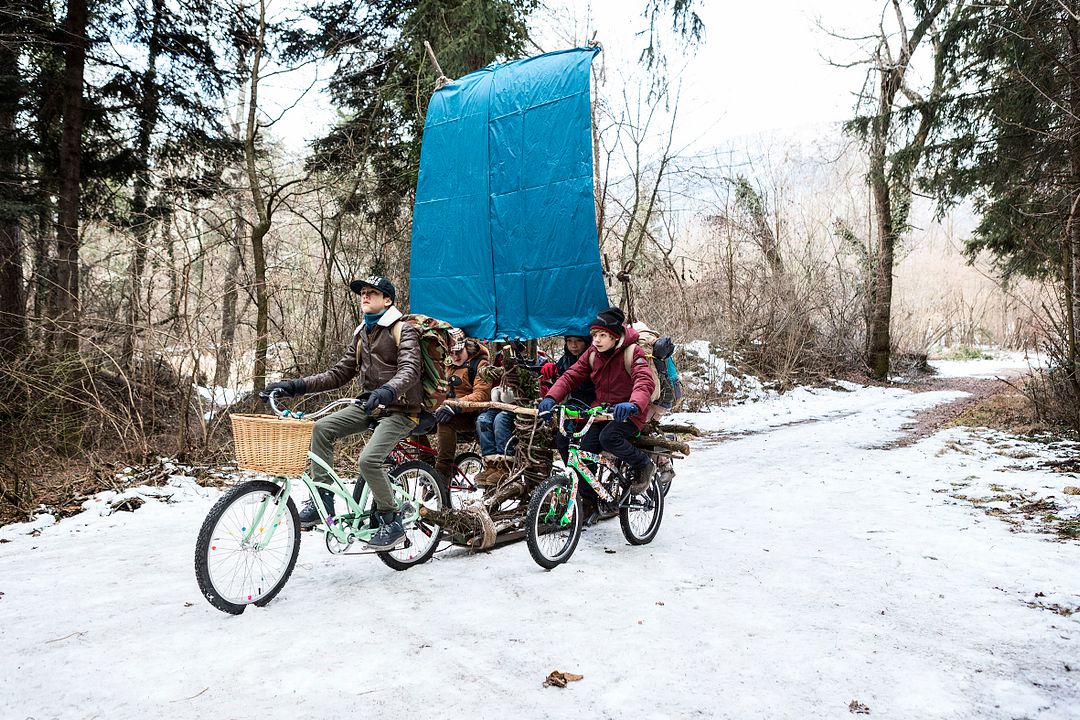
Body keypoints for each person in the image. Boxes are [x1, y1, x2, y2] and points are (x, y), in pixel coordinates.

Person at [261, 275, 420, 547]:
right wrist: (293, 386)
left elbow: (410, 370)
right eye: (363, 293)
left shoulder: (402, 330)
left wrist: (388, 391)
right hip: (370, 406)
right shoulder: (362, 334)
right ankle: (323, 499)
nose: (365, 296)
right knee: (321, 429)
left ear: (388, 300)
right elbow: (337, 374)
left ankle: (391, 519)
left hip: (401, 409)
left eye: (372, 293)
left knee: (368, 460)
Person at [538, 307, 656, 495]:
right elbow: (571, 376)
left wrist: (633, 404)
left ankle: (643, 464)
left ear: (615, 336)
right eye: (594, 335)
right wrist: (551, 397)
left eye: (603, 335)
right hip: (601, 413)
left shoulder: (633, 352)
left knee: (608, 438)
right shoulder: (593, 353)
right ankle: (589, 500)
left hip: (629, 413)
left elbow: (644, 381)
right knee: (585, 450)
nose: (597, 340)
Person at [473, 348, 540, 486]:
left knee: (500, 420)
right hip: (499, 404)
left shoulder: (531, 357)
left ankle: (505, 465)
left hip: (519, 406)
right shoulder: (496, 359)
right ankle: (491, 464)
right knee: (482, 420)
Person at [432, 331, 491, 478]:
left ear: (467, 347)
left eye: (459, 352)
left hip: (470, 415)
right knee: (413, 421)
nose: (455, 357)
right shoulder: (446, 364)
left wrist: (455, 406)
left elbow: (481, 395)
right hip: (446, 408)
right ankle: (426, 465)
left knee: (446, 422)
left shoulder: (481, 364)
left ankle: (441, 474)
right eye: (451, 353)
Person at [540, 333, 596, 463]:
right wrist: (552, 371)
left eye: (578, 341)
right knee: (562, 441)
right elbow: (563, 379)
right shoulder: (566, 359)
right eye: (569, 341)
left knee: (589, 448)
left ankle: (587, 480)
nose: (573, 345)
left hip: (595, 408)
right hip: (574, 409)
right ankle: (573, 475)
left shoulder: (595, 358)